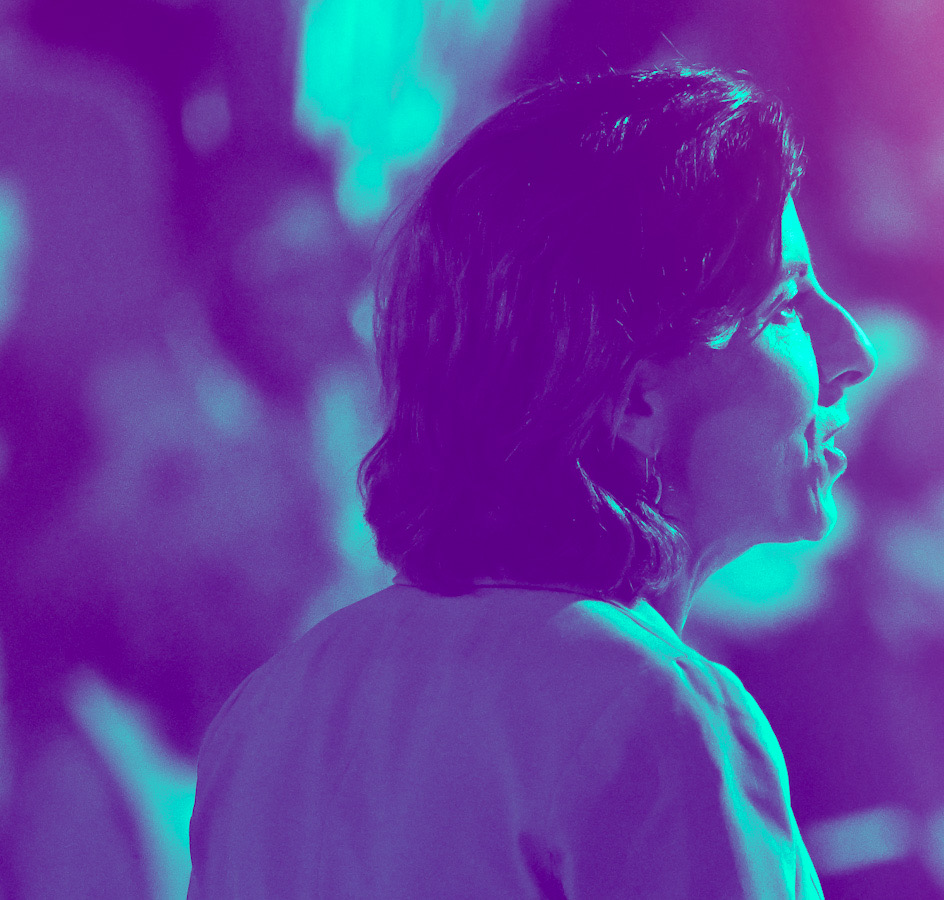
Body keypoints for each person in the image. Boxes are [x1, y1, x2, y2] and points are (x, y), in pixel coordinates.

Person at [186, 68, 876, 899]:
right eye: (788, 308)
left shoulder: (268, 713)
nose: (853, 353)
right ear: (631, 393)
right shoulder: (648, 711)